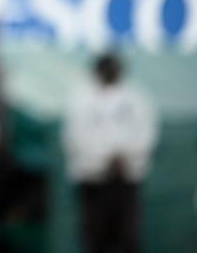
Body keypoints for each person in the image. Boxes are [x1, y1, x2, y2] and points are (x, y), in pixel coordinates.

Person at [63, 53, 157, 253]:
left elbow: (146, 133)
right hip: (93, 178)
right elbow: (75, 136)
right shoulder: (82, 98)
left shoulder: (134, 97)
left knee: (127, 234)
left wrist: (124, 157)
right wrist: (103, 158)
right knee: (95, 235)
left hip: (127, 176)